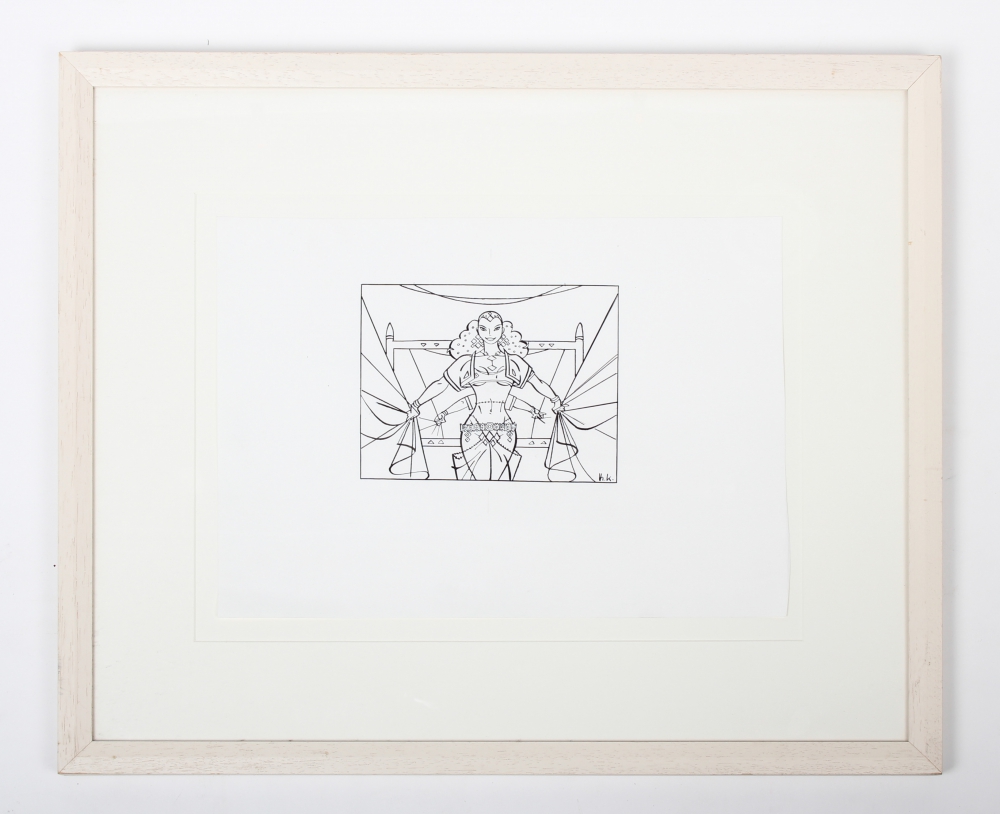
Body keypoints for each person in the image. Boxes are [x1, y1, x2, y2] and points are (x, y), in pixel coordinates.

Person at [406, 311, 563, 480]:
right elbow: (440, 384)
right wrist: (417, 404)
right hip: (473, 428)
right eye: (484, 328)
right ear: (477, 331)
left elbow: (538, 383)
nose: (489, 334)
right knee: (474, 478)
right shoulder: (466, 361)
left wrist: (555, 400)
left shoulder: (515, 361)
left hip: (505, 428)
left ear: (502, 330)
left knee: (501, 477)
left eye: (495, 328)